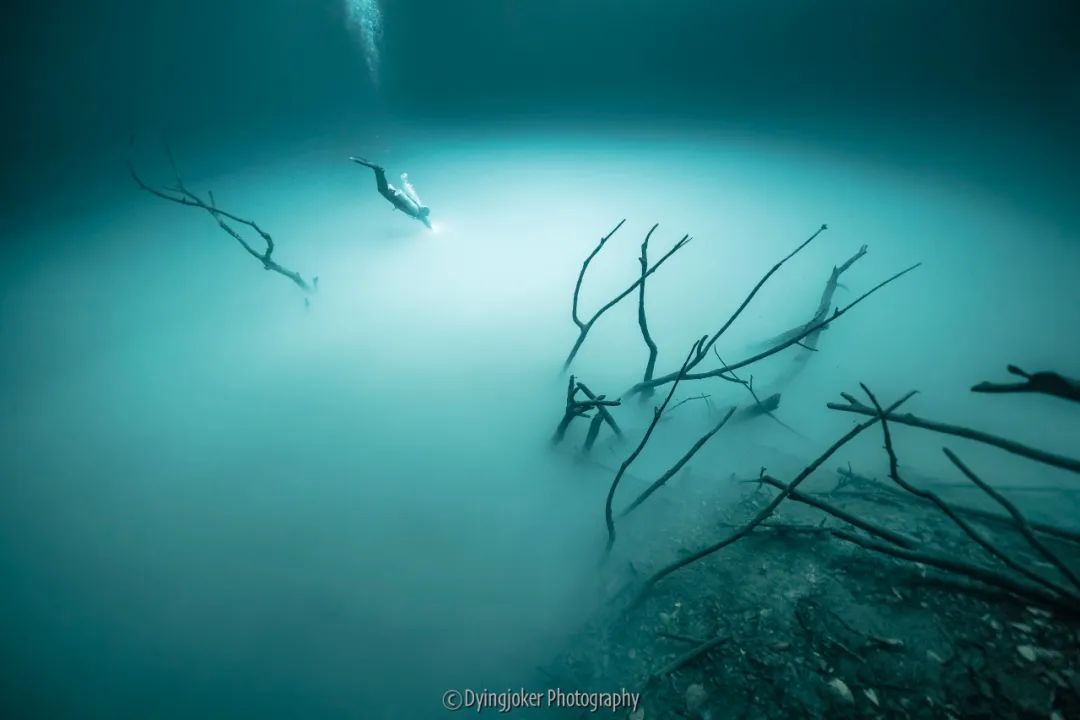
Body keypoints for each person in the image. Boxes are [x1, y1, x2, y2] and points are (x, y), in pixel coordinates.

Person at [349, 156, 432, 229]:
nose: (422, 206)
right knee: (379, 175)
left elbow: (408, 200)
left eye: (423, 207)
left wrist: (430, 227)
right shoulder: (415, 211)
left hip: (391, 193)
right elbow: (408, 201)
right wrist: (400, 190)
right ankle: (377, 169)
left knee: (380, 177)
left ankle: (376, 169)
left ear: (422, 211)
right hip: (390, 194)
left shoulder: (416, 210)